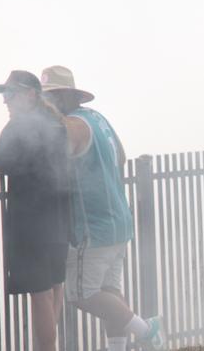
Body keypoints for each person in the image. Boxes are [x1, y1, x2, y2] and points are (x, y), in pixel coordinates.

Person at [40, 65, 164, 350]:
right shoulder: (98, 119)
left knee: (81, 295)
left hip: (92, 227)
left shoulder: (72, 125)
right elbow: (120, 157)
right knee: (109, 292)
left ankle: (147, 330)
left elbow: (53, 160)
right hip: (118, 221)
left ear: (65, 96)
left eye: (50, 98)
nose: (46, 105)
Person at [0, 70, 71, 351]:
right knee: (55, 286)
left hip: (31, 221)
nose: (5, 101)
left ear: (30, 95)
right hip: (58, 217)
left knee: (40, 294)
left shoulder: (20, 127)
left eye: (10, 94)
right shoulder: (56, 123)